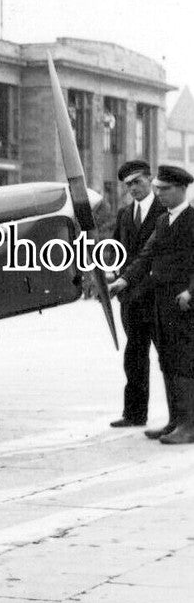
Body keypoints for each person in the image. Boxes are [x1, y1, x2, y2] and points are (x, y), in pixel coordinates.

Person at [109, 165, 194, 444]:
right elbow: (146, 255)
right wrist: (123, 281)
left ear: (181, 189)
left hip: (183, 303)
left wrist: (191, 292)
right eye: (158, 189)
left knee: (183, 362)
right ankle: (175, 422)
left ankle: (189, 426)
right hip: (162, 301)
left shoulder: (191, 219)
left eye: (165, 189)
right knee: (167, 360)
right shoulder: (163, 221)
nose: (160, 194)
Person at [108, 161, 165, 427]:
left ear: (150, 179)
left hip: (158, 297)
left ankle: (181, 418)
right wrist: (111, 275)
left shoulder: (165, 210)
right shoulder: (124, 214)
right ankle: (134, 414)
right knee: (134, 357)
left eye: (137, 182)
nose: (132, 188)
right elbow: (117, 251)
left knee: (170, 359)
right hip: (131, 299)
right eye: (128, 184)